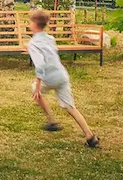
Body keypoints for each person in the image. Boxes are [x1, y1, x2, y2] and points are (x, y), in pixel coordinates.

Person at [27, 9, 100, 148]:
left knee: (35, 91)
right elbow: (49, 53)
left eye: (30, 22)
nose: (29, 24)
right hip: (61, 75)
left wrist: (37, 86)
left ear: (35, 24)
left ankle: (52, 121)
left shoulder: (33, 43)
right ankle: (90, 136)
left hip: (49, 77)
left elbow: (41, 65)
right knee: (70, 107)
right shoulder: (50, 38)